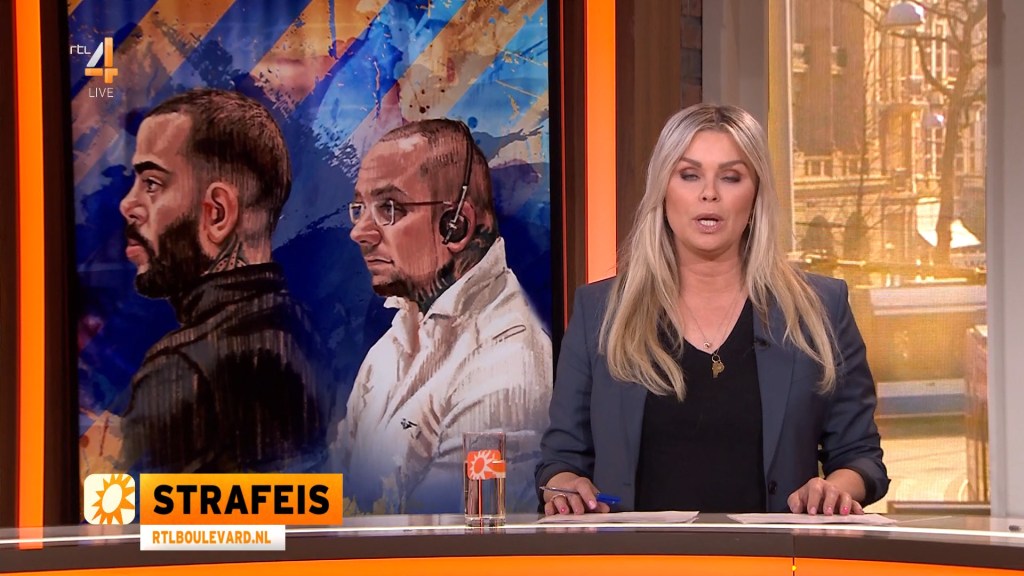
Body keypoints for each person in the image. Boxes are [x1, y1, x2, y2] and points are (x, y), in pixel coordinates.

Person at [536, 104, 888, 515]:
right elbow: (560, 460)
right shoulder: (600, 313)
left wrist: (834, 489)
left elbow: (861, 457)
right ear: (662, 189)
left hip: (772, 552)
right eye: (689, 175)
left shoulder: (820, 308)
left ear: (755, 195)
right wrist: (564, 487)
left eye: (731, 177)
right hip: (637, 552)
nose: (709, 194)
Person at [332, 118, 552, 514]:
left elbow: (456, 532)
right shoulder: (392, 345)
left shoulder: (508, 360)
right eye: (360, 208)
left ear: (456, 226)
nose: (360, 232)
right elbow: (335, 495)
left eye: (389, 208)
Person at [118, 88, 327, 473]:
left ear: (217, 213)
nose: (128, 204)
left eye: (152, 183)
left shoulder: (178, 371)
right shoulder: (308, 333)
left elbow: (128, 510)